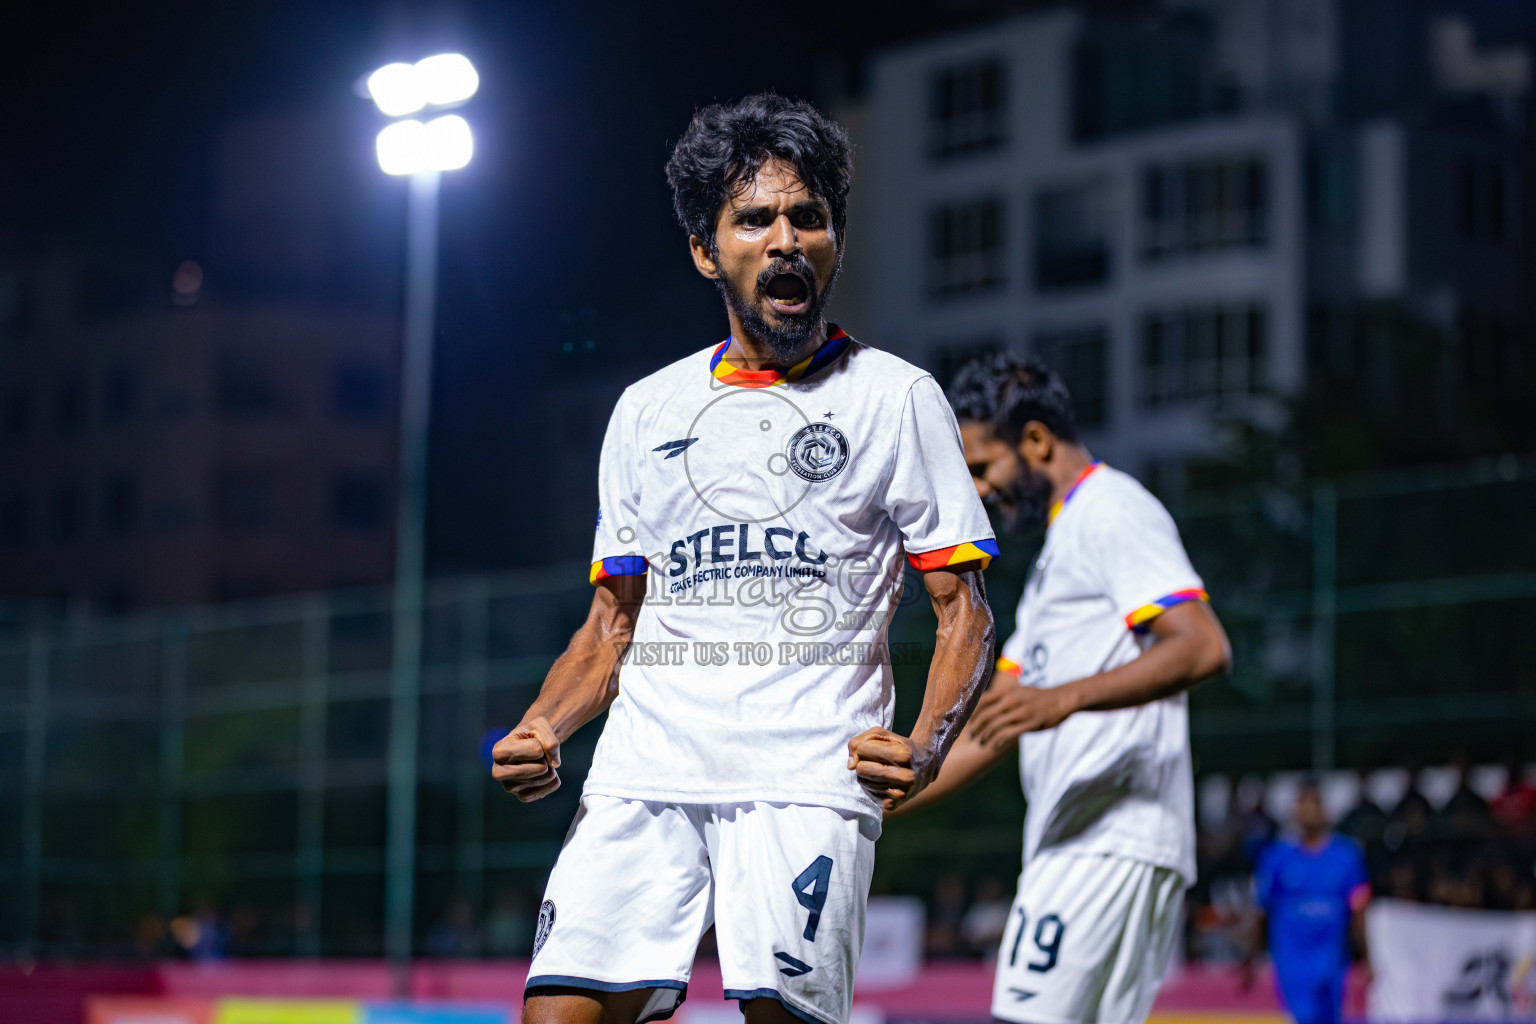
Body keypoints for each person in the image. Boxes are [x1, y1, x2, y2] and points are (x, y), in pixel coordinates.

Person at [490, 93, 997, 1024]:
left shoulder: (897, 398)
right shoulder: (646, 410)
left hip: (805, 780)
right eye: (755, 218)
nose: (786, 240)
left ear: (835, 238)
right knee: (558, 1016)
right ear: (704, 248)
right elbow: (611, 626)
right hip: (648, 769)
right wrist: (543, 725)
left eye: (808, 217)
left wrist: (926, 747)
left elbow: (963, 609)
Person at [894, 355, 1231, 1024]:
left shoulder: (1112, 510)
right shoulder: (1061, 552)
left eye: (984, 467)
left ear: (1037, 441)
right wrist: (870, 804)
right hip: (1094, 841)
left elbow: (1202, 645)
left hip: (1102, 841)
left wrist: (1062, 699)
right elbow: (994, 722)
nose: (981, 490)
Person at [1247, 781, 1370, 1024]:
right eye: (1302, 806)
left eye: (1314, 805)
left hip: (1332, 960)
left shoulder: (1347, 855)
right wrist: (1250, 956)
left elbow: (1359, 910)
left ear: (1325, 811)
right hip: (1292, 962)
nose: (1308, 812)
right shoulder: (1276, 857)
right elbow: (1261, 909)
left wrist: (1367, 958)